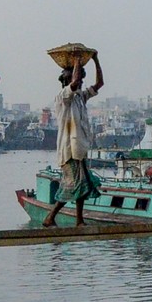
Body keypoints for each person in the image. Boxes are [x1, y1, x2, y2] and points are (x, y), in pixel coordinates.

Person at [42, 52, 105, 227]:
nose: (80, 83)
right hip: (69, 150)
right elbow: (75, 81)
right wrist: (77, 61)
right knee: (73, 185)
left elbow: (99, 83)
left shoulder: (80, 98)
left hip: (79, 148)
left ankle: (78, 220)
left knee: (82, 185)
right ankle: (51, 216)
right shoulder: (63, 97)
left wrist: (95, 60)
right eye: (76, 80)